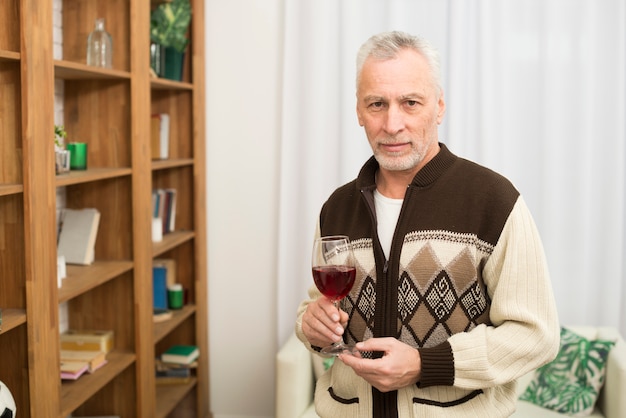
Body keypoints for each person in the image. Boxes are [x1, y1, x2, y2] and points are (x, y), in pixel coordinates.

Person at [295, 31, 560, 418]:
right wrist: (311, 325)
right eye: (376, 104)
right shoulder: (336, 207)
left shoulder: (493, 200)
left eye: (410, 102)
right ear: (358, 111)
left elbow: (535, 336)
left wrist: (424, 364)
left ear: (439, 107)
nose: (392, 123)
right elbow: (319, 308)